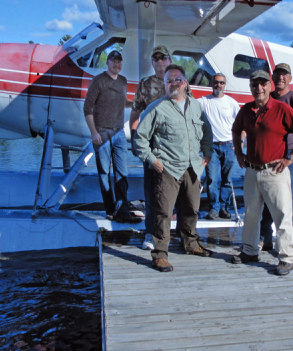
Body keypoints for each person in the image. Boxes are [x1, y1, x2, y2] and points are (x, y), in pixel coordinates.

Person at [231, 70, 293, 276]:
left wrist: (290, 158)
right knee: (250, 214)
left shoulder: (282, 108)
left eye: (263, 84)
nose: (259, 88)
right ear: (250, 87)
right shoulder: (246, 110)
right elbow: (235, 130)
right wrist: (239, 153)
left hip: (275, 171)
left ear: (269, 85)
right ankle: (249, 251)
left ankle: (286, 257)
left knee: (282, 216)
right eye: (254, 84)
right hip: (251, 170)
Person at [133, 65, 214, 272]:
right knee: (163, 213)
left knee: (191, 209)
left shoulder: (196, 106)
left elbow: (207, 132)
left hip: (193, 167)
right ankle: (160, 254)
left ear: (185, 83)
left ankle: (190, 243)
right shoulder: (156, 108)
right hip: (167, 168)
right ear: (165, 84)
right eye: (169, 80)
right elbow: (139, 138)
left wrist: (207, 153)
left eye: (177, 80)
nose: (173, 84)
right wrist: (152, 159)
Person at [129, 45, 187, 249]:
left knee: (180, 190)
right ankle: (151, 234)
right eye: (156, 59)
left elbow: (189, 113)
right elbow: (135, 113)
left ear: (169, 60)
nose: (160, 62)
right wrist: (135, 139)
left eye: (164, 58)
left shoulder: (178, 83)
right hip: (153, 147)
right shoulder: (145, 84)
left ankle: (181, 233)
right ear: (152, 63)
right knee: (153, 190)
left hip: (176, 147)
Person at [259, 63, 293, 248]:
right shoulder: (266, 98)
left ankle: (288, 243)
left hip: (287, 159)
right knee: (265, 200)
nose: (280, 78)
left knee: (289, 202)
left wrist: (292, 157)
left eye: (284, 75)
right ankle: (265, 239)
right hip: (267, 157)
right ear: (272, 78)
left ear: (290, 78)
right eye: (277, 74)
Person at [83, 50, 137, 223]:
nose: (116, 64)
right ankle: (110, 209)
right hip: (102, 133)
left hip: (119, 132)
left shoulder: (122, 81)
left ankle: (123, 208)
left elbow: (123, 103)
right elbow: (87, 108)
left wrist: (136, 103)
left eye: (119, 62)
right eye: (113, 61)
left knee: (122, 172)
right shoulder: (98, 80)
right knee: (104, 173)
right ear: (107, 63)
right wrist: (94, 133)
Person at [199, 73, 241, 219]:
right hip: (211, 147)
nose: (219, 85)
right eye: (216, 82)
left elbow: (241, 124)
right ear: (211, 83)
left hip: (229, 146)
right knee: (211, 179)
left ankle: (224, 207)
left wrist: (240, 142)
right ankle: (214, 208)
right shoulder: (204, 101)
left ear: (225, 85)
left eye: (222, 83)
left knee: (227, 179)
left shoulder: (232, 103)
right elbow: (188, 105)